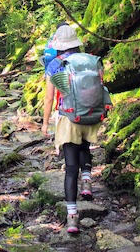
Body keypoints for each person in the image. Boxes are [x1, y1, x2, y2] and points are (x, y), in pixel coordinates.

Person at [41, 24, 102, 234]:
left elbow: (49, 98)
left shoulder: (55, 65)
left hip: (68, 118)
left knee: (70, 167)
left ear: (57, 44)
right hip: (91, 115)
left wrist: (44, 123)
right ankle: (87, 182)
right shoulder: (90, 60)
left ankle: (72, 218)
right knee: (85, 147)